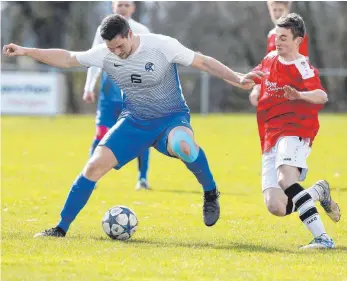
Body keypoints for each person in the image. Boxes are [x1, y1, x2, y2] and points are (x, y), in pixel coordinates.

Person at [3, 14, 261, 237]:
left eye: (119, 46)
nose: (116, 52)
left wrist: (237, 78)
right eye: (111, 48)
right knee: (93, 166)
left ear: (130, 34)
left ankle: (210, 192)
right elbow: (68, 58)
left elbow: (203, 61)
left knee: (185, 147)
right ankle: (60, 228)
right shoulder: (105, 53)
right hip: (134, 120)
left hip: (171, 117)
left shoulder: (161, 46)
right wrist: (27, 51)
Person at [249, 13, 340, 249]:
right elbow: (255, 79)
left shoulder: (303, 67)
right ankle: (318, 191)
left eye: (284, 38)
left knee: (285, 179)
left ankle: (323, 238)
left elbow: (322, 95)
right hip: (270, 134)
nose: (277, 42)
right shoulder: (269, 58)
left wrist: (299, 95)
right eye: (277, 37)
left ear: (298, 40)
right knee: (276, 206)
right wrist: (251, 88)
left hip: (295, 129)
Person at [84, 1, 151, 190]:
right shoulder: (102, 30)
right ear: (113, 7)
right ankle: (90, 177)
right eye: (119, 4)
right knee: (101, 134)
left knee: (141, 136)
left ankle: (142, 179)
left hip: (134, 94)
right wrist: (89, 86)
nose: (122, 7)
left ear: (133, 8)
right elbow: (93, 58)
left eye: (126, 4)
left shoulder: (141, 30)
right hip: (108, 92)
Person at [249, 0, 309, 107]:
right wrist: (257, 87)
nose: (277, 13)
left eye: (280, 10)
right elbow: (266, 66)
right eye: (274, 10)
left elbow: (304, 63)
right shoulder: (271, 35)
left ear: (287, 10)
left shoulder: (297, 33)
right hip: (273, 88)